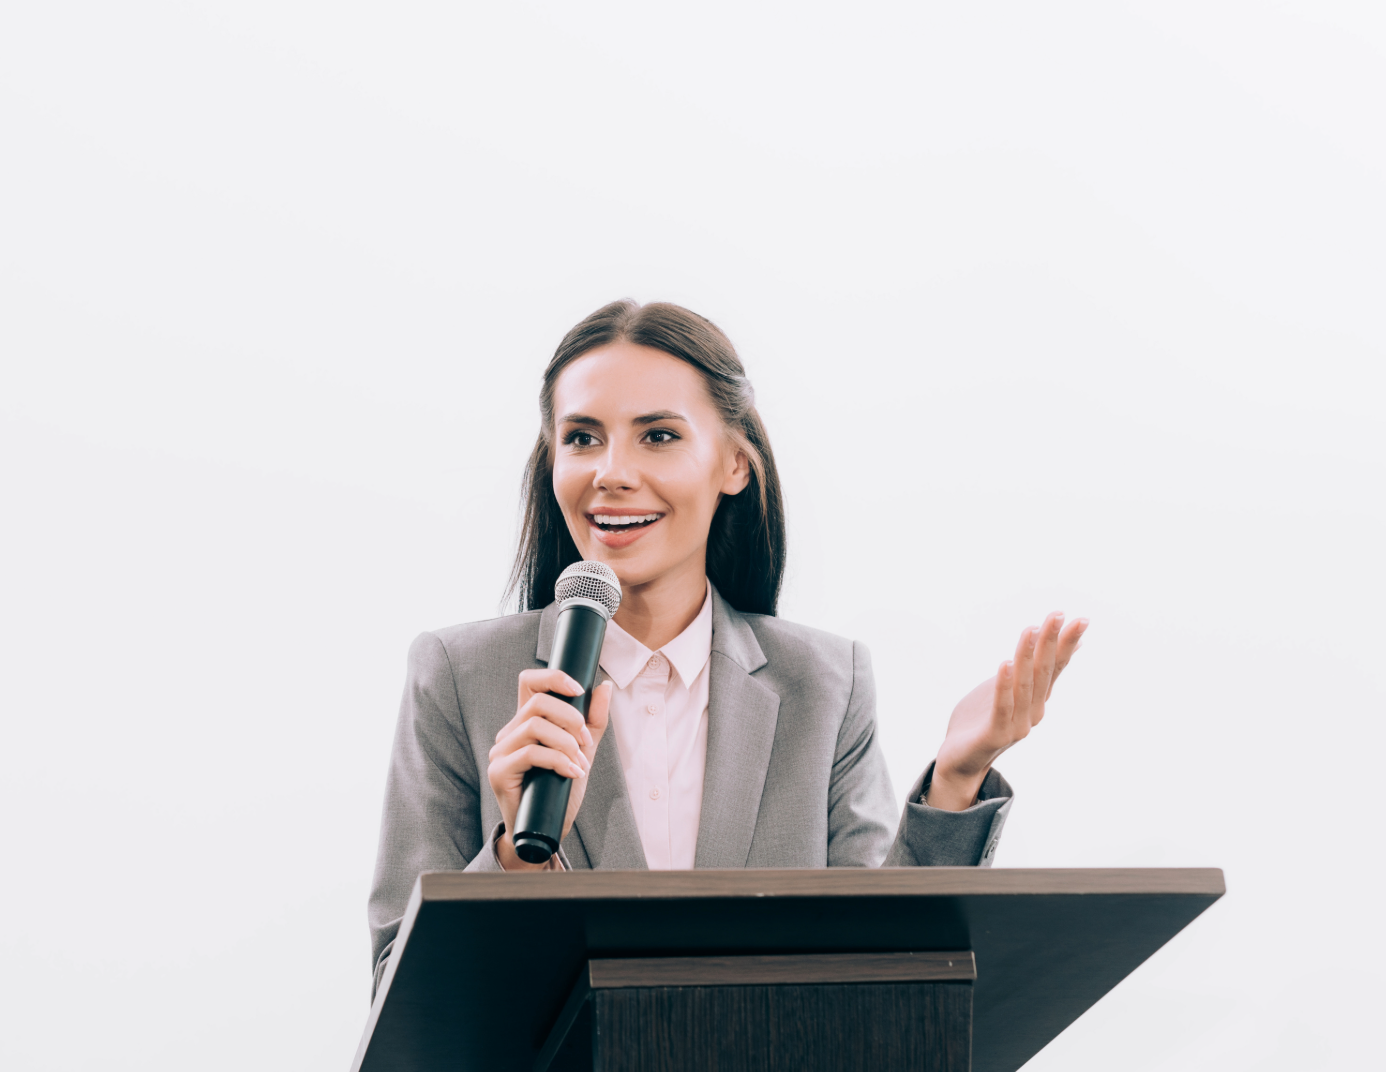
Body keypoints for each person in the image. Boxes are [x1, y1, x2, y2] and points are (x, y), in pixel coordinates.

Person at [366, 300, 1086, 989]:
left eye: (658, 435)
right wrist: (515, 862)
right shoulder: (458, 677)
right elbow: (402, 991)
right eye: (582, 437)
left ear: (735, 464)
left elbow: (881, 960)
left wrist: (956, 781)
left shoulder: (826, 684)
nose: (611, 473)